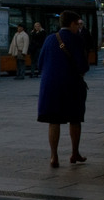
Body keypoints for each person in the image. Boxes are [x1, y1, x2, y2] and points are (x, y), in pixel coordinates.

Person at [37, 10, 88, 168]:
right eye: (78, 24)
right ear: (72, 24)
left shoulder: (50, 39)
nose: (79, 28)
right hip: (72, 86)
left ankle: (54, 156)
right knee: (75, 119)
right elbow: (83, 66)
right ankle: (74, 152)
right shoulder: (77, 40)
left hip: (50, 86)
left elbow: (40, 64)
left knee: (54, 121)